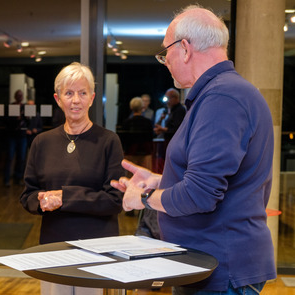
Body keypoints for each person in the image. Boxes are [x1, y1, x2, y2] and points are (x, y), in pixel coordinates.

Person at [111, 5, 276, 294]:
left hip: (221, 269)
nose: (165, 61)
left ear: (185, 49)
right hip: (209, 265)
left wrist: (145, 198)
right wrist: (162, 180)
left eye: (166, 52)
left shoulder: (222, 97)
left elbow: (201, 194)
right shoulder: (222, 93)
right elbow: (218, 181)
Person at [20, 62, 124, 295]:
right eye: (69, 93)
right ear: (58, 99)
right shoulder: (42, 142)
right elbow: (28, 195)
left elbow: (115, 200)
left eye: (82, 93)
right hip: (53, 248)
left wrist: (65, 197)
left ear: (92, 98)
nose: (75, 100)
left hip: (98, 249)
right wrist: (42, 201)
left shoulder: (109, 141)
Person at [121, 97, 154, 170]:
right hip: (145, 154)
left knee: (130, 177)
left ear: (131, 107)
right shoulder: (147, 122)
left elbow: (124, 140)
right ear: (142, 108)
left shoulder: (126, 122)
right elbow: (150, 138)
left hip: (130, 153)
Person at [4, 89, 28, 187]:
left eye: (21, 95)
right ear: (15, 96)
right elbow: (5, 120)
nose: (20, 97)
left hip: (22, 136)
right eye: (18, 95)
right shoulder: (10, 107)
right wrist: (15, 119)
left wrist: (24, 117)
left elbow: (29, 121)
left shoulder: (25, 107)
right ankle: (6, 180)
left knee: (21, 158)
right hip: (12, 136)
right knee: (9, 157)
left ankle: (18, 178)